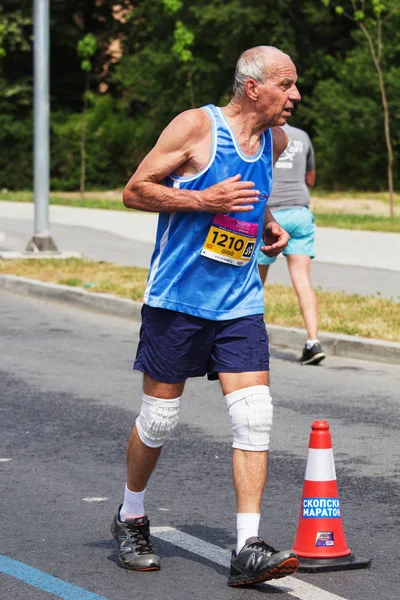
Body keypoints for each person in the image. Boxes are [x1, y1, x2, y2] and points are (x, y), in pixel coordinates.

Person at [111, 46, 301, 587]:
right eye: (286, 86)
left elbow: (253, 196)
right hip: (177, 301)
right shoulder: (196, 126)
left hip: (238, 302)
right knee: (160, 419)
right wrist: (204, 200)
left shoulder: (275, 141)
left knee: (255, 415)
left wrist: (266, 224)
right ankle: (130, 516)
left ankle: (247, 547)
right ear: (252, 87)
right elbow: (134, 191)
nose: (295, 96)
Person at [257, 123, 325, 365]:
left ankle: (254, 338)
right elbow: (310, 178)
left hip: (271, 217)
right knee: (303, 281)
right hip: (300, 213)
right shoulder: (303, 136)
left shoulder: (261, 134)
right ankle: (313, 341)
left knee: (256, 281)